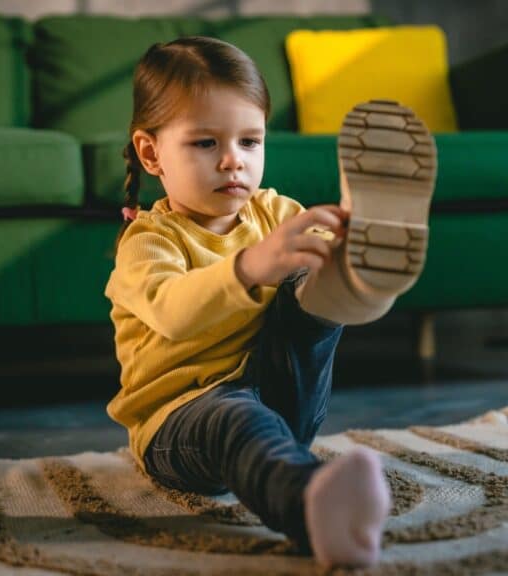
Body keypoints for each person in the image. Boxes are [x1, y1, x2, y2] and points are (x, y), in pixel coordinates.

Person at [105, 36, 435, 568]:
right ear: (151, 153)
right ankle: (311, 505)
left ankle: (352, 290)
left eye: (250, 142)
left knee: (309, 275)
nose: (233, 161)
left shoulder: (277, 213)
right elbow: (173, 311)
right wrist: (251, 265)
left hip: (287, 399)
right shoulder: (150, 242)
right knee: (240, 419)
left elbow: (297, 258)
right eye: (206, 144)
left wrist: (341, 248)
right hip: (185, 422)